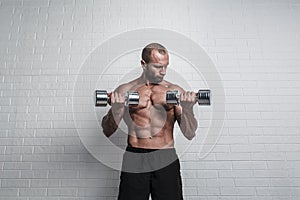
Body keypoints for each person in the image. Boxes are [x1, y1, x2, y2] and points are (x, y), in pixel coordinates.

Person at [101, 43, 198, 200]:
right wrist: (117, 109)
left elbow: (190, 133)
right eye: (158, 66)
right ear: (143, 65)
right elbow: (107, 130)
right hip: (135, 156)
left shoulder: (174, 91)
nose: (164, 72)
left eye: (166, 66)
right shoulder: (126, 90)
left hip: (165, 157)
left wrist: (187, 109)